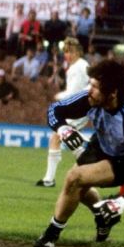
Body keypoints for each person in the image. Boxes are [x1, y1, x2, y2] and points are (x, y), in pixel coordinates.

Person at [33, 59, 124, 247]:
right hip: (99, 147)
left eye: (95, 86)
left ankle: (50, 235)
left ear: (112, 93)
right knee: (77, 185)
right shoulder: (90, 98)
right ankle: (102, 219)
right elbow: (54, 109)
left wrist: (123, 202)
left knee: (74, 178)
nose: (89, 89)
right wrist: (62, 128)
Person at [37, 38, 90, 188]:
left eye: (70, 51)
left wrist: (59, 96)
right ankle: (49, 178)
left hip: (78, 108)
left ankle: (50, 179)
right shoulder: (79, 65)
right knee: (62, 138)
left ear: (78, 52)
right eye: (66, 52)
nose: (67, 55)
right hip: (80, 107)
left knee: (58, 136)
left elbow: (75, 93)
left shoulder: (78, 67)